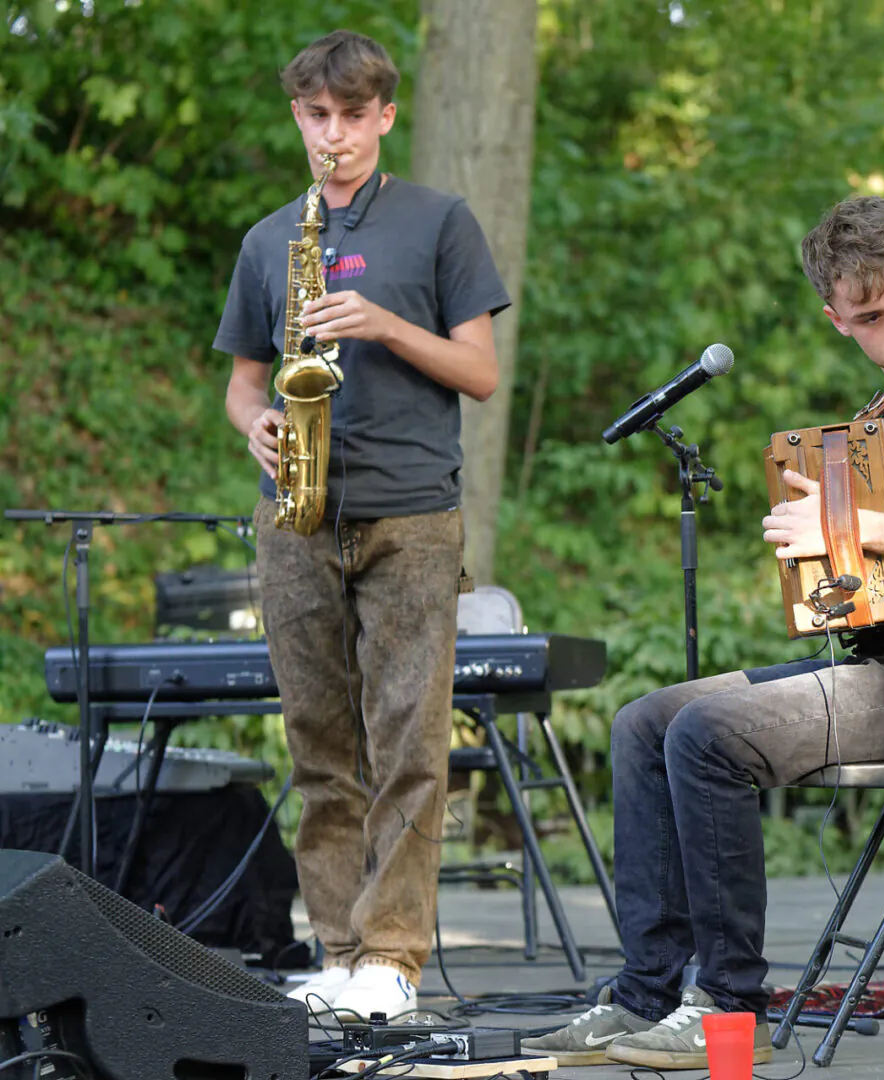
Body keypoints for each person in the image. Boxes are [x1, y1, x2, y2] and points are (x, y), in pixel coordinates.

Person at [526, 196, 884, 1070]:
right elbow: (880, 579)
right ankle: (643, 994)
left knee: (708, 733)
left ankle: (728, 1010)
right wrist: (827, 572)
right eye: (871, 318)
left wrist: (855, 533)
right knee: (643, 721)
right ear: (835, 320)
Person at [215, 29, 510, 1021]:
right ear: (298, 115)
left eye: (351, 115)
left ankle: (393, 956)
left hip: (411, 514)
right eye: (315, 115)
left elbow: (480, 373)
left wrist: (381, 321)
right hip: (296, 516)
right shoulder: (269, 240)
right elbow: (241, 383)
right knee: (317, 746)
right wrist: (254, 421)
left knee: (410, 746)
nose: (332, 135)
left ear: (385, 116)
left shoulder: (440, 221)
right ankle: (341, 956)